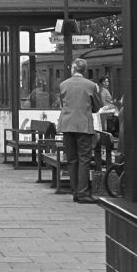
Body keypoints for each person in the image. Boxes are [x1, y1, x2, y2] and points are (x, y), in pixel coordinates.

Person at [58, 58, 102, 203]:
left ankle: (75, 191)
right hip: (83, 126)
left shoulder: (63, 85)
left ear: (73, 69)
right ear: (85, 70)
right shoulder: (91, 86)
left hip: (67, 125)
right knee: (84, 159)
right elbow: (97, 106)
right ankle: (83, 193)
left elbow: (62, 104)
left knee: (72, 159)